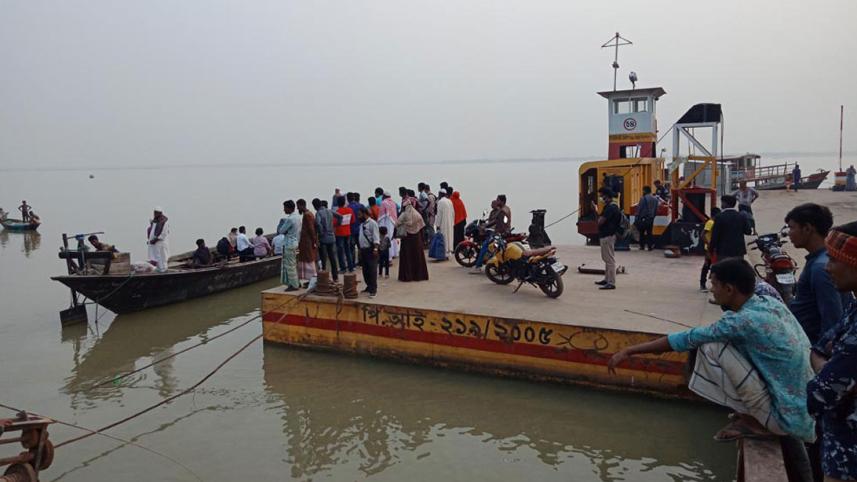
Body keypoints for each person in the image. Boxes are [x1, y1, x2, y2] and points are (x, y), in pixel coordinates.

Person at [608, 258, 816, 448]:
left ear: (729, 289)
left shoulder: (741, 321)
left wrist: (629, 350)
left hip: (785, 421)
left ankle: (754, 421)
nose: (712, 290)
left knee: (710, 346)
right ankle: (755, 414)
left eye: (714, 285)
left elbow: (687, 338)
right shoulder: (771, 304)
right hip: (804, 413)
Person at [807, 221, 857, 482]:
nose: (828, 267)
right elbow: (819, 347)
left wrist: (826, 368)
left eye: (835, 260)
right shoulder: (854, 309)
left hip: (848, 458)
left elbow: (819, 394)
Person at [786, 203, 853, 345]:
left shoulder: (821, 268)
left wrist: (820, 352)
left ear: (807, 228)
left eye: (792, 227)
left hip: (813, 345)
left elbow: (832, 319)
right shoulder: (821, 260)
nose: (788, 233)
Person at [592, 188, 621, 290]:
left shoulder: (610, 208)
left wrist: (595, 210)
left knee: (609, 260)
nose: (601, 198)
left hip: (607, 236)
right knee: (606, 258)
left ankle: (611, 282)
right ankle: (607, 278)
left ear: (607, 196)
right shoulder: (613, 206)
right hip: (608, 235)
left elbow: (600, 221)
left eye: (602, 196)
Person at [709, 195, 752, 262]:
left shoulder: (719, 217)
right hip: (738, 251)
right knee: (736, 268)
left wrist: (711, 249)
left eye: (722, 202)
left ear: (724, 203)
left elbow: (715, 235)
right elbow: (748, 231)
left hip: (723, 251)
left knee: (724, 267)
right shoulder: (741, 216)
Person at [396, 201, 429, 281]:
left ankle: (407, 276)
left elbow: (396, 224)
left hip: (407, 239)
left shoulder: (404, 215)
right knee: (417, 256)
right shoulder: (417, 215)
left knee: (407, 257)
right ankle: (419, 276)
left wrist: (404, 225)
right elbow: (422, 226)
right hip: (416, 239)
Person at [313, 198, 340, 281]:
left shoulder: (318, 213)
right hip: (331, 237)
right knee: (332, 258)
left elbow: (318, 223)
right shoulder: (329, 211)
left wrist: (321, 233)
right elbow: (340, 216)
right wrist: (337, 225)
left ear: (315, 206)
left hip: (323, 238)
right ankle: (335, 277)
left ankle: (324, 277)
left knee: (323, 258)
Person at [356, 207, 381, 298]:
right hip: (363, 250)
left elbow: (376, 237)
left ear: (365, 214)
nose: (358, 217)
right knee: (365, 270)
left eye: (359, 215)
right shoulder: (361, 225)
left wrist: (375, 249)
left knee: (372, 270)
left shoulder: (372, 223)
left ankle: (373, 290)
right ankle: (369, 286)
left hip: (371, 249)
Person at [277, 200, 301, 291]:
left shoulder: (290, 219)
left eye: (285, 208)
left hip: (289, 243)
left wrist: (281, 223)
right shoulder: (297, 217)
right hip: (295, 242)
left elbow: (281, 231)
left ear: (289, 208)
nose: (284, 210)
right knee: (293, 264)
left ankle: (294, 285)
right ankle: (296, 282)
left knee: (290, 265)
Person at [297, 199, 319, 284]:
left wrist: (314, 241)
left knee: (309, 261)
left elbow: (311, 229)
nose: (297, 208)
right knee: (308, 260)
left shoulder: (307, 215)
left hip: (307, 242)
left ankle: (313, 280)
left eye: (298, 206)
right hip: (306, 242)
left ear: (302, 205)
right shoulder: (309, 214)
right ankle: (310, 280)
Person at [700, 207, 721, 290]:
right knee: (707, 265)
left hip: (713, 247)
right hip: (709, 248)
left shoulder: (715, 222)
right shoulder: (710, 223)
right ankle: (702, 283)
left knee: (712, 266)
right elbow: (703, 235)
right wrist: (708, 244)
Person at [333, 197, 355, 272]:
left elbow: (334, 223)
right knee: (348, 250)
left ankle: (343, 268)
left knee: (340, 252)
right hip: (348, 232)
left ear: (338, 203)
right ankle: (351, 267)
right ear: (344, 202)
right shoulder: (350, 210)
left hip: (339, 233)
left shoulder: (337, 211)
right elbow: (353, 221)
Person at [635, 186, 659, 251]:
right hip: (651, 218)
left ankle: (642, 246)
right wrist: (653, 216)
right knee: (649, 233)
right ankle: (649, 247)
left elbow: (639, 209)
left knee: (642, 233)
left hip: (643, 218)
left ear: (645, 191)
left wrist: (637, 217)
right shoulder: (655, 199)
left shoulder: (643, 199)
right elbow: (656, 210)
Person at [147, 207, 170, 272]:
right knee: (155, 257)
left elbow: (163, 234)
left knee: (162, 257)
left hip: (160, 243)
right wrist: (150, 241)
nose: (154, 214)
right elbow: (152, 231)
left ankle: (163, 270)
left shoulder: (164, 222)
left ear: (160, 213)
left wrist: (155, 240)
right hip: (154, 244)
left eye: (156, 213)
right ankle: (159, 269)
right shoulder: (155, 221)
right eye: (154, 212)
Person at [378, 192, 400, 262]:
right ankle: (393, 254)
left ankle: (388, 258)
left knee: (385, 239)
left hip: (386, 222)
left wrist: (379, 224)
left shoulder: (384, 203)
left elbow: (381, 216)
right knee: (391, 238)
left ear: (384, 196)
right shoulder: (393, 203)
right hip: (393, 222)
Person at [434, 188, 455, 257]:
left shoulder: (440, 202)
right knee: (450, 237)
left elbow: (439, 214)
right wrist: (452, 222)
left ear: (440, 194)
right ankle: (449, 252)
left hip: (443, 223)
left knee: (444, 237)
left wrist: (437, 224)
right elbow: (453, 213)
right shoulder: (449, 201)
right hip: (450, 222)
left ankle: (444, 253)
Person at [348, 193, 365, 264]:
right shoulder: (361, 206)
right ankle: (361, 261)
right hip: (360, 228)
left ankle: (352, 263)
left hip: (351, 229)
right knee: (360, 246)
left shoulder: (348, 207)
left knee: (352, 248)